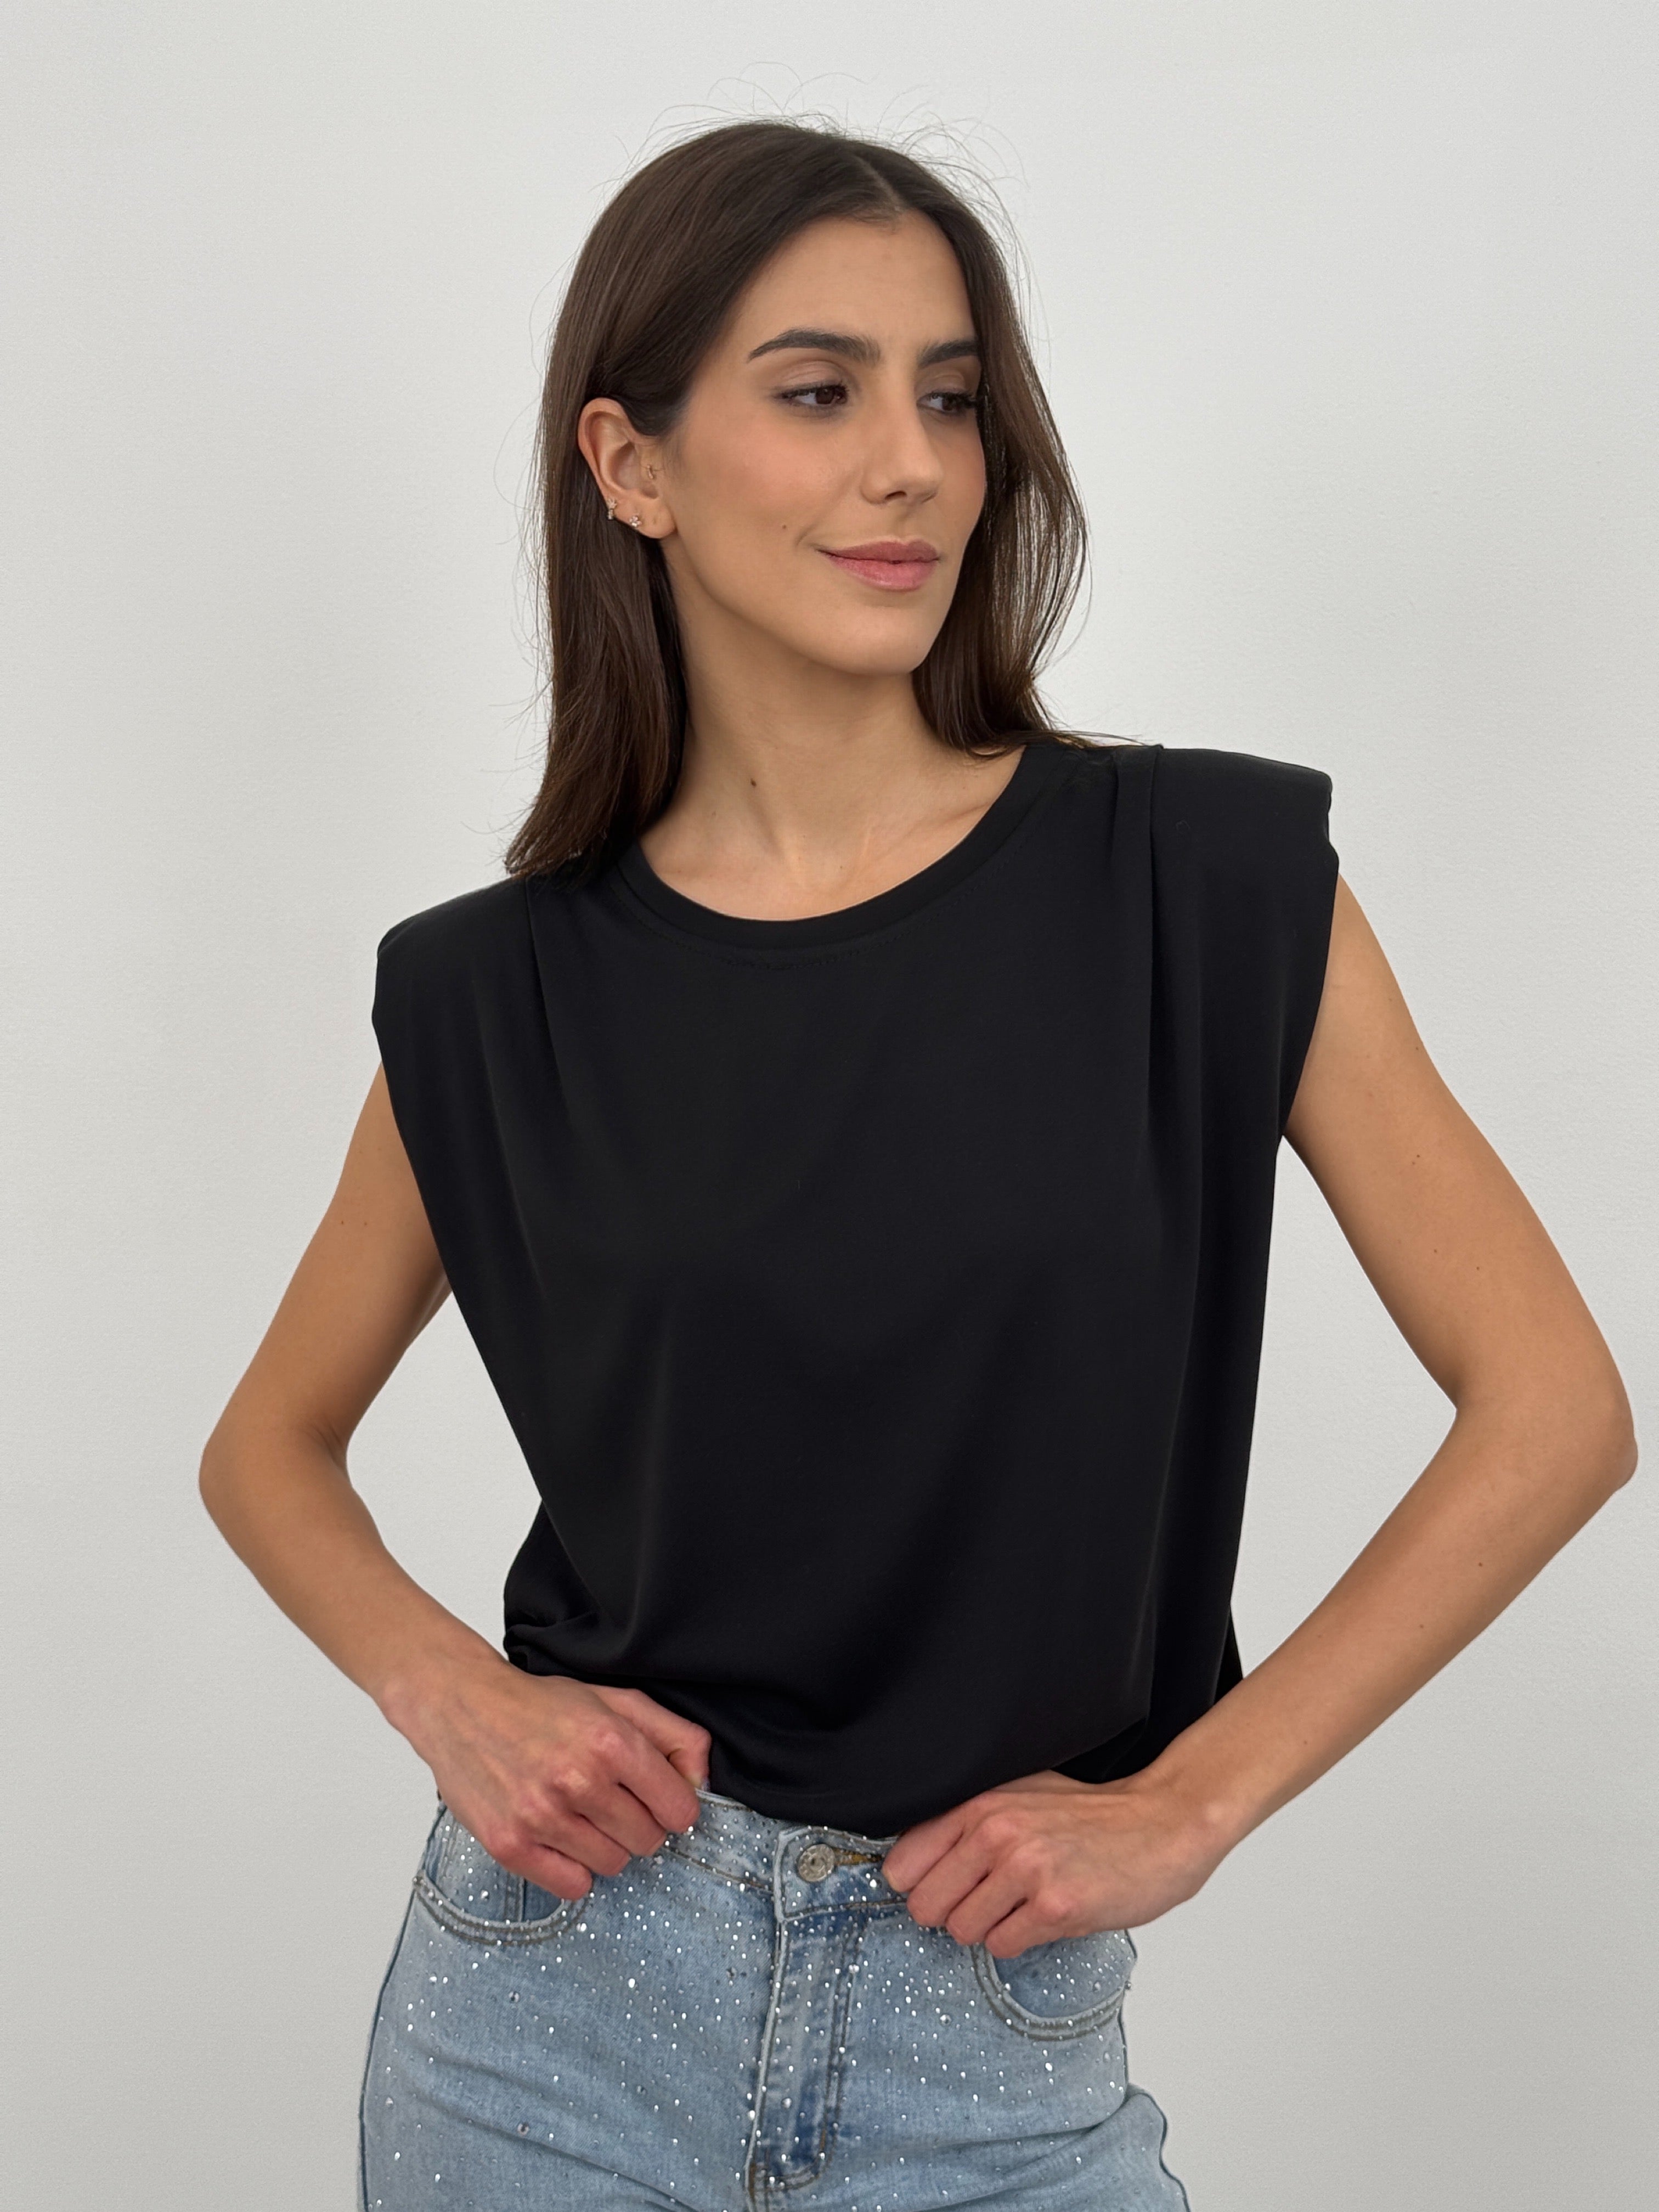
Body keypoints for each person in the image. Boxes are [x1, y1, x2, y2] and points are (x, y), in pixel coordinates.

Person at [198, 119, 1637, 2211]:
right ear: (631, 465)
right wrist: (455, 1696)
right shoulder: (496, 991)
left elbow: (1557, 1407)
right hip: (553, 2025)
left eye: (950, 398)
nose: (914, 466)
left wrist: (1197, 1802)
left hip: (995, 2040)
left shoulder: (1205, 884)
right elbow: (267, 1445)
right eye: (819, 393)